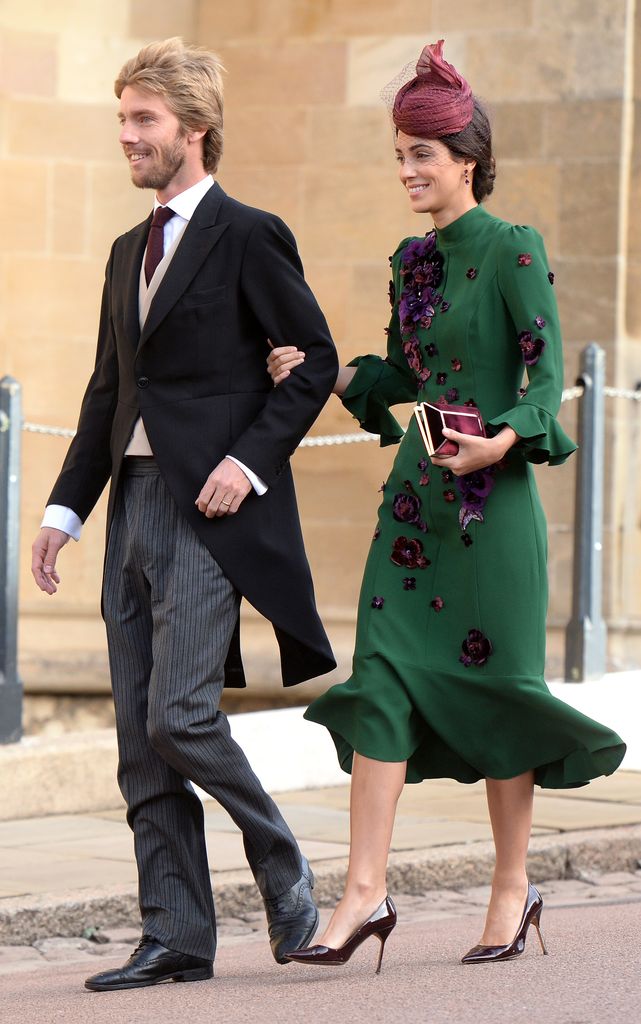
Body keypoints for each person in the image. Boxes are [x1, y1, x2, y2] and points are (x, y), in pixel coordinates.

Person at [267, 40, 626, 971]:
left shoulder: (513, 249)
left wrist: (501, 441)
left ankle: (511, 888)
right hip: (416, 509)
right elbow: (400, 373)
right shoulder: (411, 261)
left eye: (420, 154)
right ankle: (363, 892)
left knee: (500, 691)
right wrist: (323, 372)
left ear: (466, 158)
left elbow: (545, 378)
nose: (405, 170)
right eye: (398, 154)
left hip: (491, 509)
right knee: (380, 679)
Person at [30, 37, 339, 991]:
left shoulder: (249, 234)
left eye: (144, 120)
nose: (127, 136)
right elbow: (107, 393)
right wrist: (64, 511)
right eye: (123, 119)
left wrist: (246, 465)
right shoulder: (126, 251)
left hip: (207, 515)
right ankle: (176, 935)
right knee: (140, 740)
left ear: (194, 129)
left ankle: (283, 866)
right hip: (130, 509)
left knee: (179, 715)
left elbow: (314, 363)